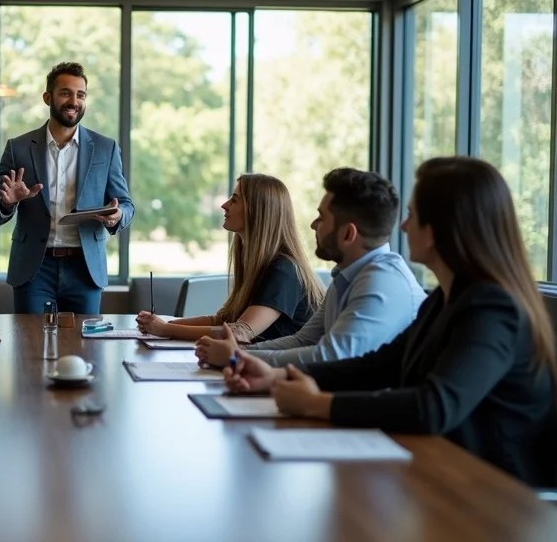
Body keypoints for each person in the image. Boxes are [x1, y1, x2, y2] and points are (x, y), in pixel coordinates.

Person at [222, 157, 557, 487]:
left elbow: (434, 405)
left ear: (442, 229)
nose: (404, 226)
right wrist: (276, 376)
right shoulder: (445, 299)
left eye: (413, 216)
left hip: (497, 497)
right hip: (447, 474)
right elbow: (382, 364)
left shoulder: (492, 309)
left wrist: (317, 403)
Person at [195, 168, 425, 367]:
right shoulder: (349, 276)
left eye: (321, 217)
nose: (313, 225)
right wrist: (239, 354)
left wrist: (236, 357)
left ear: (348, 234)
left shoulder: (381, 282)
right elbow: (304, 340)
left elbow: (332, 356)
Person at [0, 61, 134, 315]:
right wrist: (9, 203)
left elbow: (127, 205)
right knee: (30, 348)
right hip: (34, 269)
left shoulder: (106, 148)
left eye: (80, 94)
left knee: (85, 350)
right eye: (65, 93)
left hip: (85, 269)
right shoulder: (18, 148)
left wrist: (117, 217)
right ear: (48, 97)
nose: (73, 101)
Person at [137, 173, 323, 343]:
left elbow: (239, 333)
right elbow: (222, 320)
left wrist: (165, 329)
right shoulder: (258, 263)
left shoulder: (284, 270)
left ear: (257, 211)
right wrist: (165, 324)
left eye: (234, 200)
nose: (224, 205)